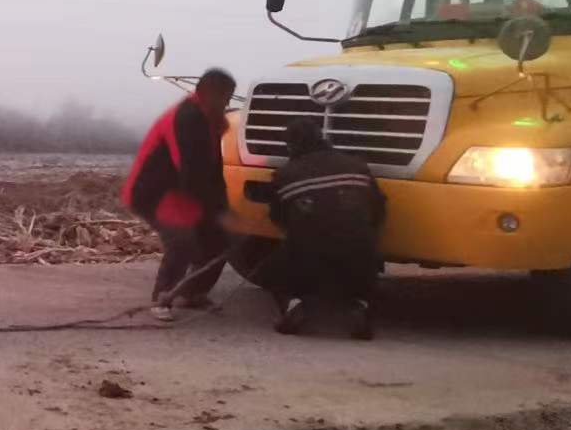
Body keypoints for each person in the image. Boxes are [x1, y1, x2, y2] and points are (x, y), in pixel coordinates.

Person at [122, 69, 240, 321]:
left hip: (183, 190)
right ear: (207, 94)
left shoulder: (212, 120)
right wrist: (216, 211)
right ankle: (162, 297)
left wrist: (224, 210)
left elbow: (213, 170)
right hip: (155, 191)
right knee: (182, 241)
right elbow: (192, 172)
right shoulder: (184, 119)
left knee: (221, 239)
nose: (228, 103)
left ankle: (193, 293)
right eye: (224, 98)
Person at [264, 117, 386, 339]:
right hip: (359, 249)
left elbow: (278, 217)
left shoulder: (285, 175)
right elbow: (379, 207)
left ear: (290, 146)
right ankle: (360, 305)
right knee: (363, 263)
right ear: (321, 137)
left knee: (274, 264)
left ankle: (293, 304)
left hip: (310, 252)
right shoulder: (357, 165)